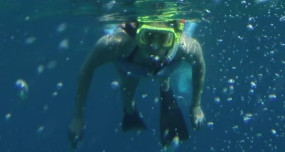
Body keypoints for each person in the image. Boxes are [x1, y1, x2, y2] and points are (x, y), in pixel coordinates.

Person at [68, 19, 206, 148]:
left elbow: (199, 64)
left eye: (164, 38)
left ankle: (165, 86)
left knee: (162, 76)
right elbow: (87, 69)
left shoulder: (185, 47)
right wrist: (78, 117)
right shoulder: (117, 44)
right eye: (148, 36)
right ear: (136, 33)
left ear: (175, 37)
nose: (154, 47)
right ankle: (130, 110)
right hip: (129, 66)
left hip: (164, 68)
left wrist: (196, 106)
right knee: (128, 88)